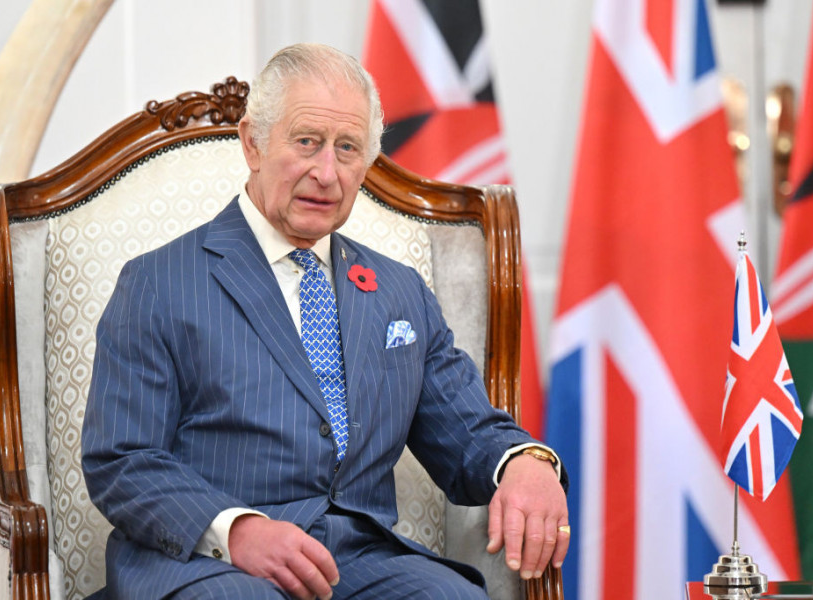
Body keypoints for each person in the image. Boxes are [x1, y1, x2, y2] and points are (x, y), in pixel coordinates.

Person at [82, 43, 568, 600]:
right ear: (253, 143)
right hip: (208, 563)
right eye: (307, 142)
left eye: (347, 148)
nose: (326, 173)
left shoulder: (399, 291)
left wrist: (525, 463)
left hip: (356, 561)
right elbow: (121, 459)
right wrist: (237, 530)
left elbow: (466, 431)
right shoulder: (159, 281)